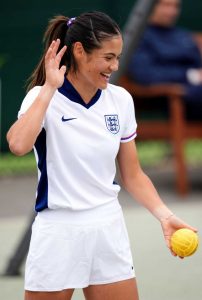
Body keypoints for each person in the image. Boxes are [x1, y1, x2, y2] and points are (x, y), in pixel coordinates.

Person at [7, 11, 197, 300]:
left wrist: (165, 216)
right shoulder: (41, 97)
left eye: (118, 57)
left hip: (107, 228)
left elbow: (132, 174)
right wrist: (49, 89)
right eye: (108, 57)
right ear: (80, 51)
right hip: (58, 231)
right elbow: (18, 145)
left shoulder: (120, 99)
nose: (115, 66)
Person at [127, 0, 202, 119]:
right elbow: (145, 75)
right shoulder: (138, 37)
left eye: (175, 6)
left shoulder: (183, 35)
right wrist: (189, 75)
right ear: (149, 7)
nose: (171, 11)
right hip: (166, 98)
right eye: (166, 5)